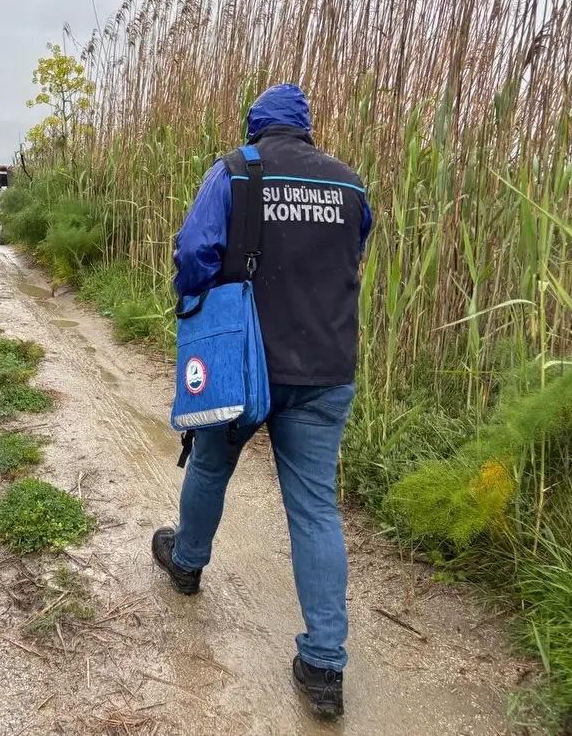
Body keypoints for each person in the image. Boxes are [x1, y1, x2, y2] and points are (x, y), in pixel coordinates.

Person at [151, 84, 371, 718]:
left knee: (212, 466)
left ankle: (188, 563)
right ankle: (324, 665)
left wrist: (198, 297)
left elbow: (194, 252)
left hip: (243, 366)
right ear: (306, 128)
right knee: (315, 510)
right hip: (327, 368)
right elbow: (352, 255)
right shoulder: (349, 184)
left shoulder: (235, 170)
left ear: (254, 126)